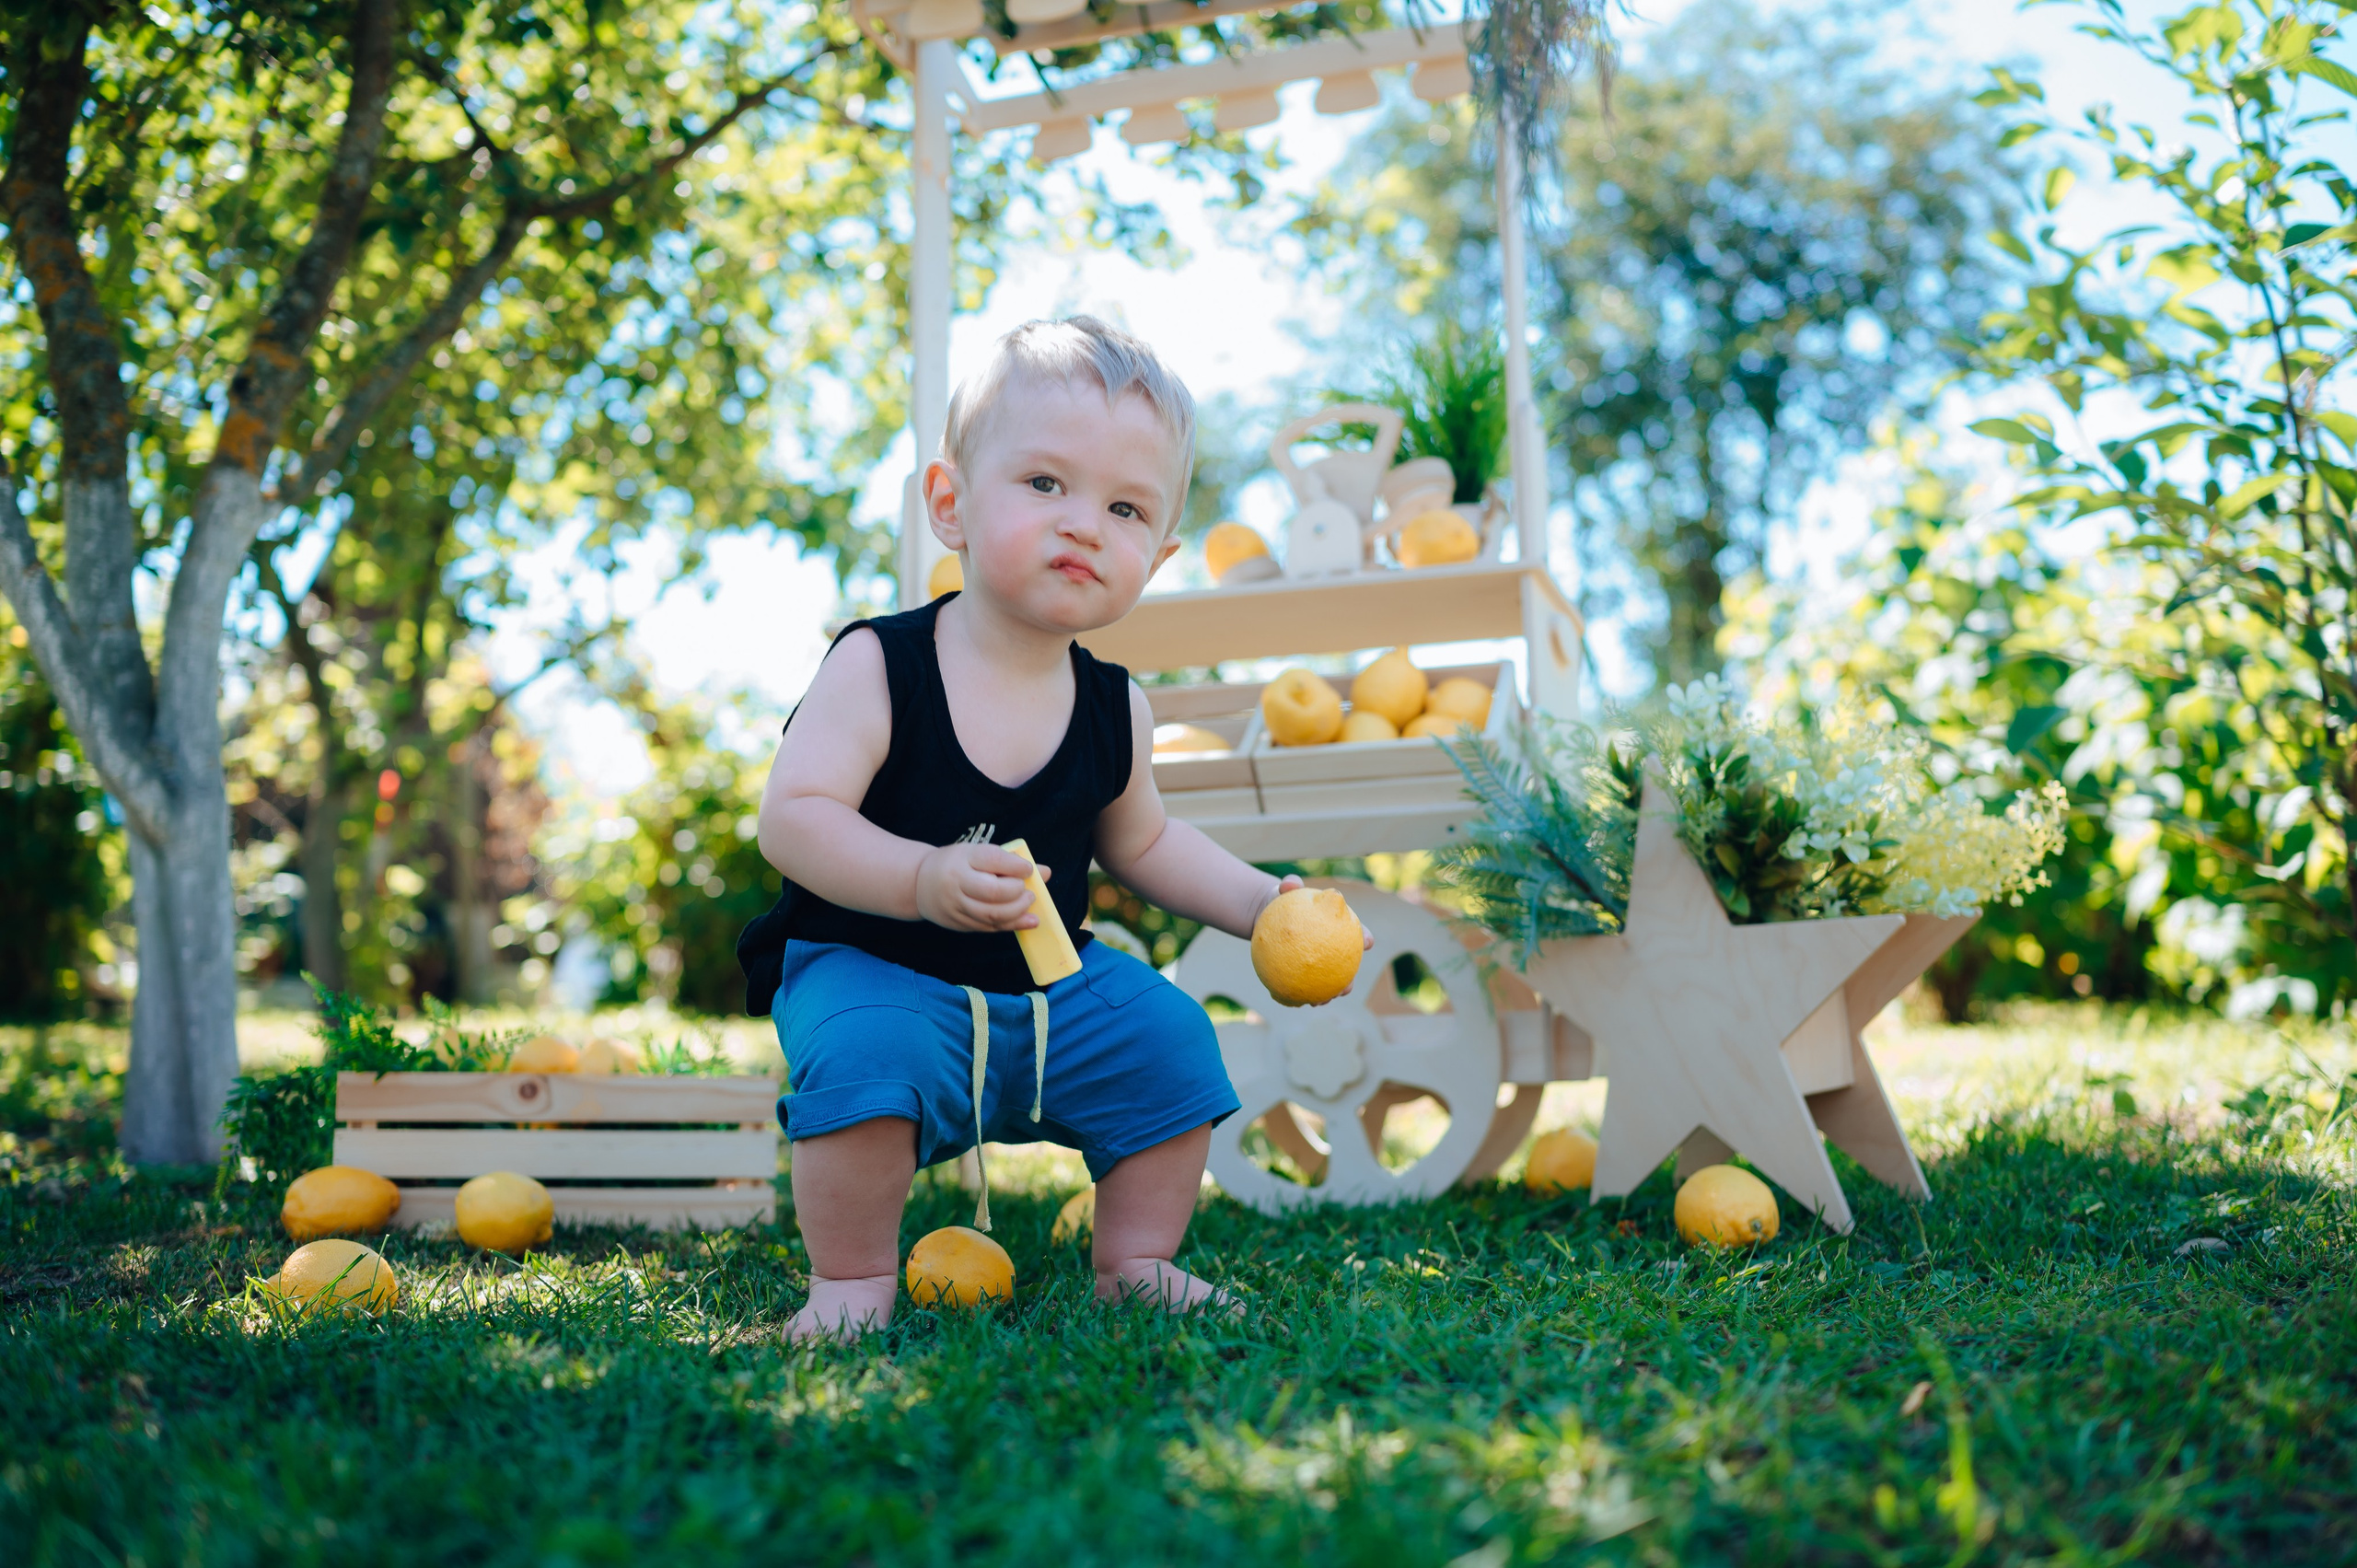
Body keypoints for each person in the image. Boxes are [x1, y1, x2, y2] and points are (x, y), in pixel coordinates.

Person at [739, 316, 1362, 1342]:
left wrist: (1262, 902)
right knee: (865, 1060)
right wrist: (920, 878)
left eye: (1123, 507)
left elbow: (1146, 843)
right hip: (873, 962)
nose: (1083, 523)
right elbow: (793, 819)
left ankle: (1137, 1259)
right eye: (1044, 485)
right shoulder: (879, 665)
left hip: (1045, 987)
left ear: (1154, 557)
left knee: (1170, 1041)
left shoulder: (1119, 708)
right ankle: (849, 1280)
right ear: (951, 504)